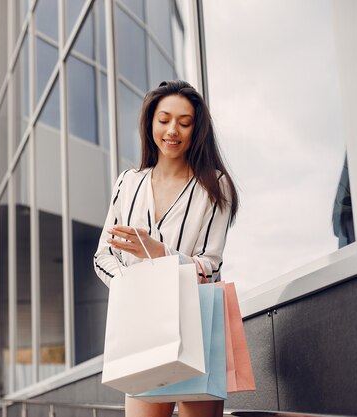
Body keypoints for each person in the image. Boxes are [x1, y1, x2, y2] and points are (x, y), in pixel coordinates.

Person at [93, 80, 239, 417]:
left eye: (185, 123)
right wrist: (132, 286)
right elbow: (103, 256)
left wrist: (162, 256)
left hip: (199, 326)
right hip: (142, 325)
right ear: (150, 123)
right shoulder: (128, 183)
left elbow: (211, 266)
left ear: (196, 130)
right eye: (164, 119)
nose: (173, 130)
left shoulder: (214, 186)